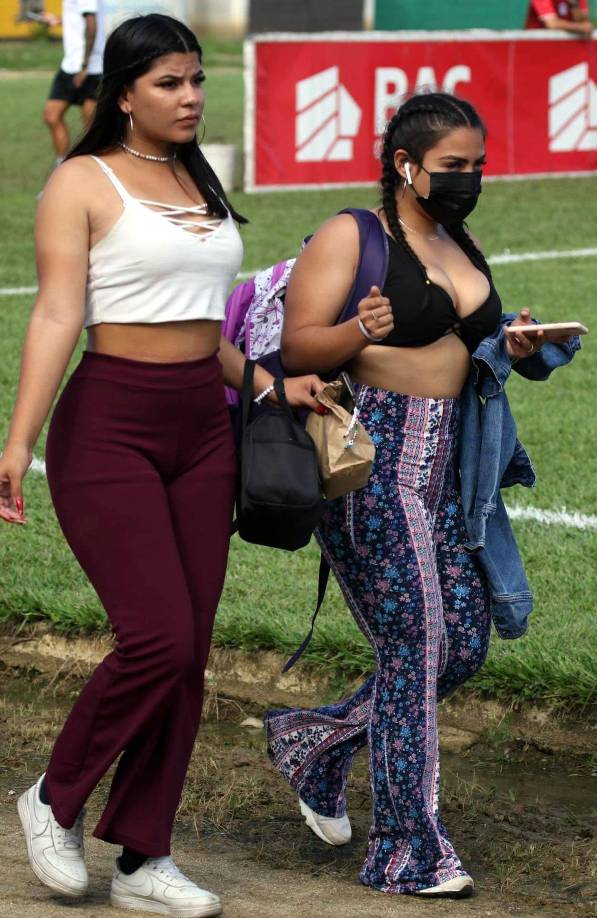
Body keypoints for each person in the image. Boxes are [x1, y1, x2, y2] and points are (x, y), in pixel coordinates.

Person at [0, 13, 322, 917]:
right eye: (170, 83)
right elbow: (60, 315)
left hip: (202, 425)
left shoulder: (195, 172)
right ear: (125, 92)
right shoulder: (80, 180)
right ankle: (54, 799)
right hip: (109, 425)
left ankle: (145, 857)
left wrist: (264, 382)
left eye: (196, 80)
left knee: (189, 656)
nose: (189, 97)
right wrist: (17, 444)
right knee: (158, 639)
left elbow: (195, 318)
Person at [264, 92, 578, 898]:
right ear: (405, 166)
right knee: (415, 647)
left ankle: (314, 744)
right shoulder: (352, 235)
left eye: (477, 164)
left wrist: (517, 342)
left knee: (461, 645)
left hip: (450, 474)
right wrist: (359, 331)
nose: (469, 178)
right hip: (370, 463)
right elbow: (297, 346)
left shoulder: (455, 237)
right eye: (453, 166)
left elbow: (465, 346)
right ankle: (406, 849)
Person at [43, 0, 106, 165]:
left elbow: (92, 24)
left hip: (89, 69)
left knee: (91, 129)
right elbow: (81, 19)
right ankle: (62, 167)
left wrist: (84, 65)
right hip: (70, 65)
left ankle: (92, 174)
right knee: (52, 116)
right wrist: (59, 19)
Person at [525, 0, 594, 35]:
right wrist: (580, 27)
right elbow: (552, 24)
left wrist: (574, 5)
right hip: (537, 49)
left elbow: (585, 24)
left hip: (564, 50)